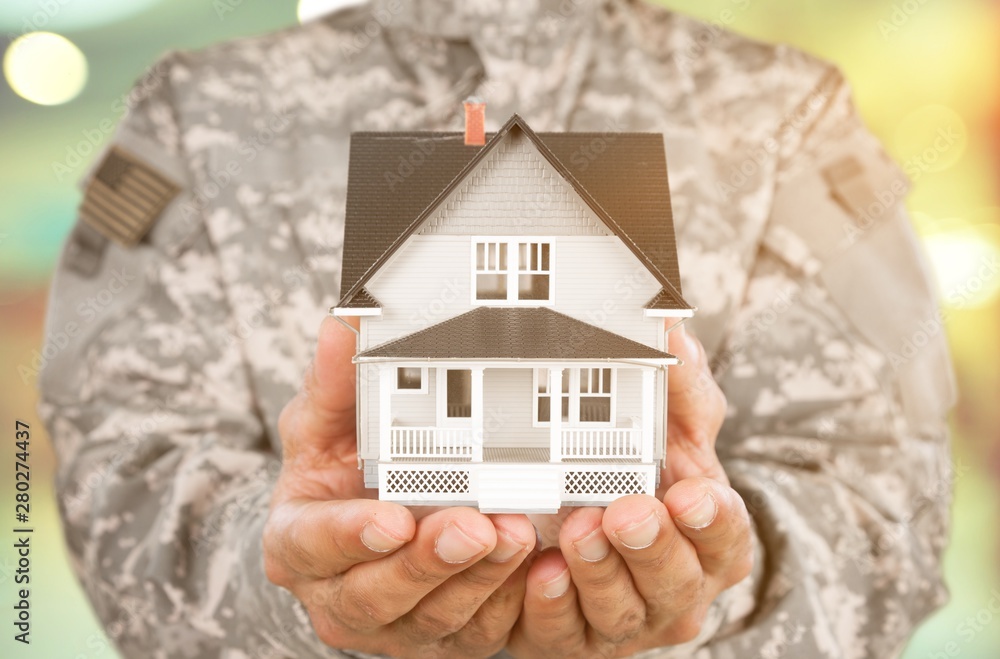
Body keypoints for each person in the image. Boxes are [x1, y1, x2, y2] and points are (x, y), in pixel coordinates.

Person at [38, 0, 956, 657]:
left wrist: (727, 574)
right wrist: (282, 577)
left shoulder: (787, 114)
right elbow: (116, 472)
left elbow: (890, 503)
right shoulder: (196, 116)